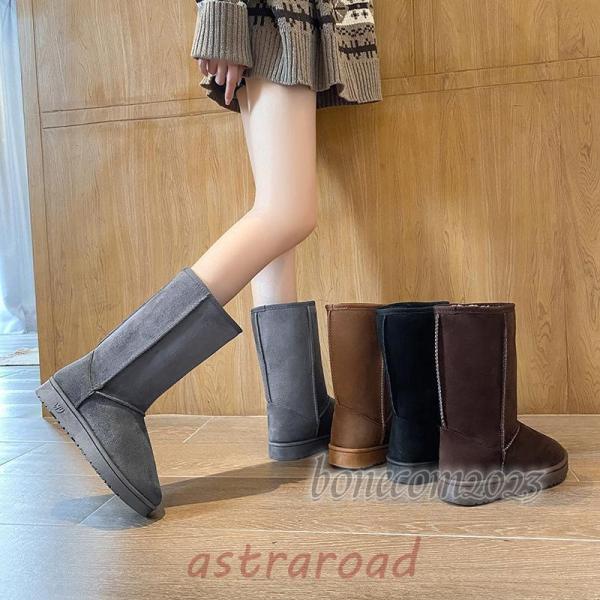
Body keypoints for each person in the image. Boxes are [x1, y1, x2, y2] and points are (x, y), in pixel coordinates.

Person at [35, 0, 383, 517]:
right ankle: (107, 383)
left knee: (278, 214)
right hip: (277, 16)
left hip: (290, 19)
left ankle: (298, 414)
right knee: (286, 213)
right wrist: (223, 19)